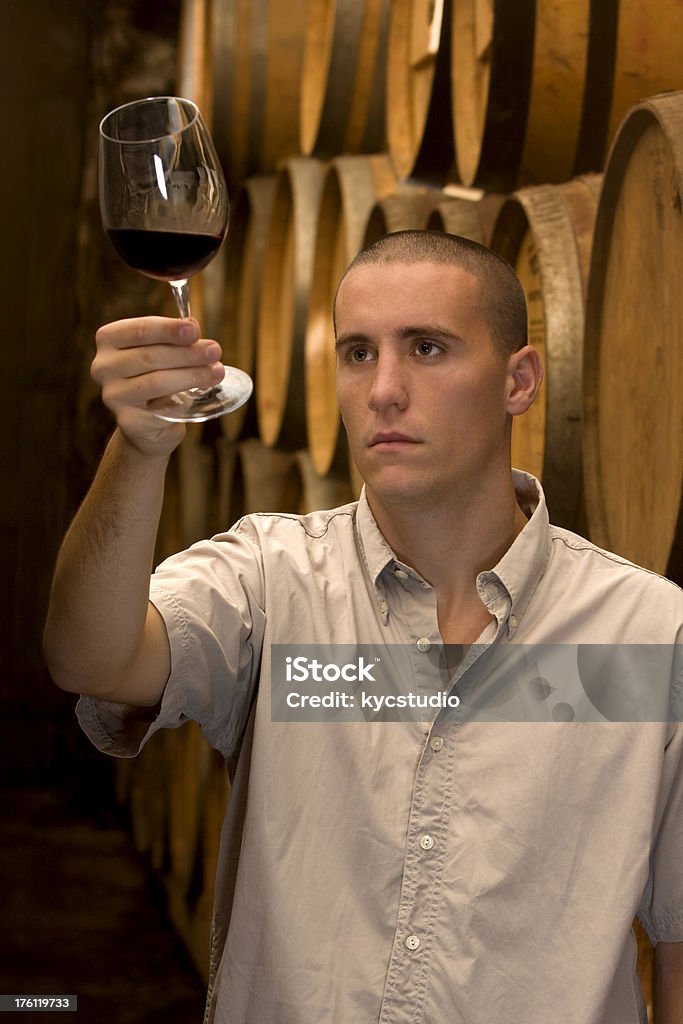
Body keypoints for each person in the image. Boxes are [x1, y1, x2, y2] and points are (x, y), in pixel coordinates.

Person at [43, 231, 683, 1023]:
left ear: (518, 381)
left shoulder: (649, 634)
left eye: (425, 348)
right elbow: (91, 660)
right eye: (356, 353)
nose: (383, 389)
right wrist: (138, 451)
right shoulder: (272, 580)